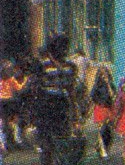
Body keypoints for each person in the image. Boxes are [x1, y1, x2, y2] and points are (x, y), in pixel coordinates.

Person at [27, 33, 80, 165]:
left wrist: (75, 114)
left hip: (62, 106)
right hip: (45, 105)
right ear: (53, 48)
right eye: (61, 47)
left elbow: (71, 90)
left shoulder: (70, 66)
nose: (64, 50)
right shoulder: (42, 65)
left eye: (66, 47)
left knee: (62, 141)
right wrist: (32, 112)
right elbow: (33, 89)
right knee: (46, 144)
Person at [90, 65, 116, 159]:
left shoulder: (111, 85)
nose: (104, 77)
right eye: (102, 75)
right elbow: (92, 96)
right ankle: (103, 151)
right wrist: (99, 102)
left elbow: (113, 95)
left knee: (109, 131)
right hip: (101, 108)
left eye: (106, 74)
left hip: (110, 108)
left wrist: (108, 85)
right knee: (101, 130)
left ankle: (101, 147)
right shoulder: (97, 85)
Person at [0, 61, 24, 148]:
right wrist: (26, 82)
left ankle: (7, 142)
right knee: (9, 121)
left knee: (6, 121)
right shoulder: (11, 80)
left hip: (6, 102)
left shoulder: (11, 80)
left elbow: (19, 88)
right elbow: (20, 88)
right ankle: (14, 141)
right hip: (7, 102)